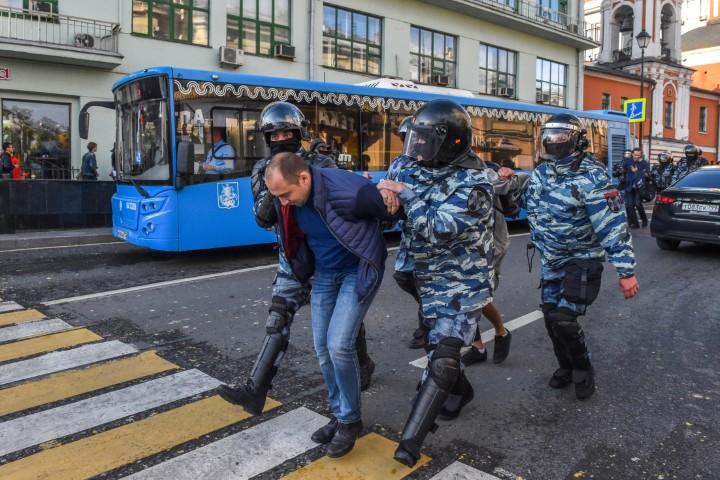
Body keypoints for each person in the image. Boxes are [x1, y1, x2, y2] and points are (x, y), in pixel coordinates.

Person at [218, 101, 375, 416]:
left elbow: (340, 198)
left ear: (299, 132)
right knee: (278, 319)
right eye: (274, 136)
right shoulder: (263, 170)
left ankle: (362, 364)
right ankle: (255, 390)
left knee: (340, 323)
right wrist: (280, 174)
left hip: (329, 257)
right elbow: (263, 217)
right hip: (293, 258)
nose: (281, 139)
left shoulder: (320, 161)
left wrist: (311, 166)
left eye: (287, 133)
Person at [377, 100, 496, 468]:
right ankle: (461, 390)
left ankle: (410, 443)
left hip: (461, 282)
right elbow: (388, 210)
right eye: (417, 139)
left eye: (426, 141)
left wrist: (405, 195)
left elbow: (439, 227)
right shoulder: (405, 166)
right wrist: (383, 200)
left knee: (442, 360)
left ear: (452, 143)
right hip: (422, 277)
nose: (418, 148)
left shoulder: (476, 182)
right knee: (436, 348)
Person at [261, 151, 393, 457]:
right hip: (324, 275)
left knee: (339, 345)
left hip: (356, 272)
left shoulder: (351, 191)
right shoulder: (289, 201)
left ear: (304, 178)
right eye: (277, 196)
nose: (283, 203)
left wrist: (392, 189)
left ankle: (351, 421)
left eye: (286, 194)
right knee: (322, 348)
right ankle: (339, 414)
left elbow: (393, 211)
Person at [508, 113, 639, 401]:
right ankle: (565, 366)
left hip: (582, 260)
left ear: (577, 141)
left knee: (565, 319)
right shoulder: (543, 172)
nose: (553, 142)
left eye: (561, 137)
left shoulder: (593, 176)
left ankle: (582, 369)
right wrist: (509, 185)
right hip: (552, 260)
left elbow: (612, 225)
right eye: (549, 136)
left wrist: (626, 272)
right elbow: (527, 204)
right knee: (551, 319)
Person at [623, 147, 650, 228]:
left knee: (638, 204)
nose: (637, 157)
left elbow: (647, 174)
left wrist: (638, 171)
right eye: (635, 155)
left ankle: (644, 219)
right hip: (629, 186)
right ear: (632, 154)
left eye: (638, 155)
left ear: (641, 155)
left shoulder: (644, 163)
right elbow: (623, 171)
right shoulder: (627, 162)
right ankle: (635, 223)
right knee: (630, 205)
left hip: (639, 187)